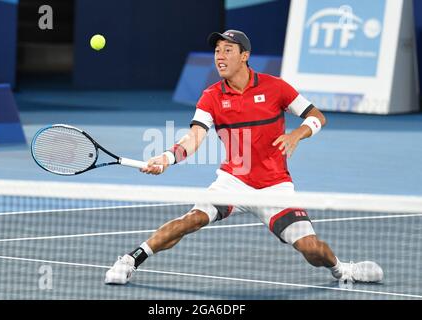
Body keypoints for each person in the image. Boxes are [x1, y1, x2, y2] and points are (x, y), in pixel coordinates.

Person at [104, 30, 383, 285]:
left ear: (244, 56)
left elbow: (316, 116)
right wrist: (166, 157)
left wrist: (296, 134)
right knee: (191, 219)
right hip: (233, 182)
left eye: (227, 50)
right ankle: (130, 259)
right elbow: (194, 137)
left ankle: (342, 269)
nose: (220, 56)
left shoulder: (276, 88)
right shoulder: (211, 97)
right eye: (217, 51)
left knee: (312, 249)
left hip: (275, 187)